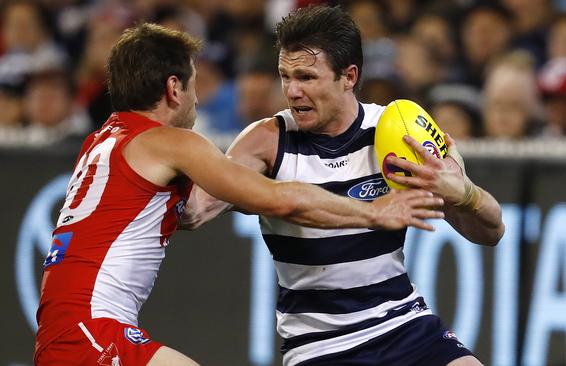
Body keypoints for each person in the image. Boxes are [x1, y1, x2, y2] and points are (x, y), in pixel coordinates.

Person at [34, 23, 443, 366]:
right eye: (195, 83)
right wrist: (373, 213)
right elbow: (280, 200)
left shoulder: (102, 140)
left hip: (63, 329)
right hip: (94, 328)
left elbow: (192, 212)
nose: (199, 97)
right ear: (174, 87)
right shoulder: (173, 143)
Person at [186, 5, 505, 366]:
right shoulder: (267, 142)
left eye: (306, 77)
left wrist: (462, 193)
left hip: (405, 326)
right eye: (285, 76)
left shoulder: (399, 131)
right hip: (320, 346)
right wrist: (171, 152)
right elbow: (196, 210)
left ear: (348, 76)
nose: (291, 91)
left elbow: (492, 231)